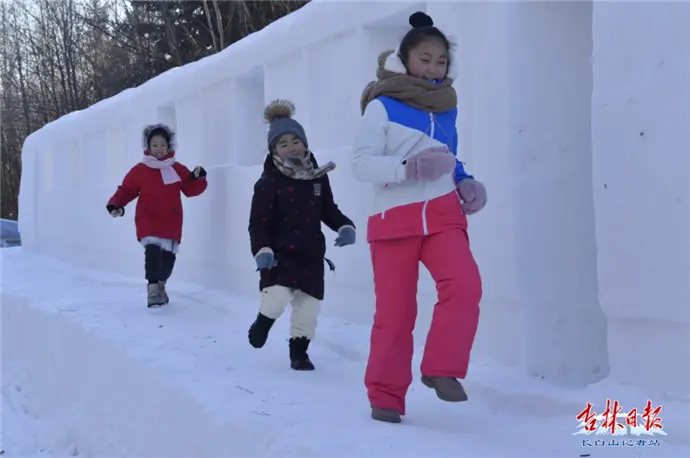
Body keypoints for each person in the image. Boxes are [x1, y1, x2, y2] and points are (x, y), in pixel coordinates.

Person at [351, 11, 488, 423]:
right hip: (395, 219)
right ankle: (386, 395)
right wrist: (405, 169)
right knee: (396, 315)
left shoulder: (447, 108)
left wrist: (464, 180)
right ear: (404, 58)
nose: (434, 67)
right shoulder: (382, 106)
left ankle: (441, 368)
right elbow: (360, 163)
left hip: (444, 215)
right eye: (425, 58)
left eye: (441, 60)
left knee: (465, 286)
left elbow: (446, 156)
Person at [248, 99, 356, 371]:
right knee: (276, 299)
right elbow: (258, 223)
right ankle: (263, 321)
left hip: (310, 255)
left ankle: (299, 354)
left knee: (308, 310)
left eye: (295, 141)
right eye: (282, 144)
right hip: (278, 254)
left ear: (305, 144)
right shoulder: (268, 183)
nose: (290, 148)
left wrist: (345, 226)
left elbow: (328, 209)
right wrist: (262, 250)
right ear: (274, 152)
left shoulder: (317, 178)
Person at [106, 124, 208, 307]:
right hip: (148, 219)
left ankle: (161, 284)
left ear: (169, 147)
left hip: (171, 221)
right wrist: (116, 204)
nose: (159, 149)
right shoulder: (140, 170)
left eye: (162, 145)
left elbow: (190, 189)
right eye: (154, 145)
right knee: (152, 253)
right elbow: (127, 190)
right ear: (148, 147)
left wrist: (198, 177)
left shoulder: (177, 168)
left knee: (167, 262)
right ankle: (152, 289)